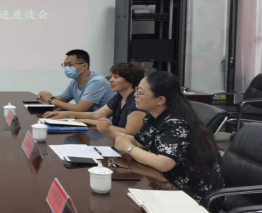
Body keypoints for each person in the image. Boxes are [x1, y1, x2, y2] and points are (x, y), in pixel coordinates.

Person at [98, 71, 223, 202]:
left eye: (140, 93)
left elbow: (164, 163)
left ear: (160, 100)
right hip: (162, 181)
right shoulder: (153, 116)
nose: (135, 95)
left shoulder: (175, 123)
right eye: (136, 91)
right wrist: (109, 132)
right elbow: (139, 142)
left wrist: (128, 148)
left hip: (189, 193)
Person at [45, 62, 146, 135]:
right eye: (111, 76)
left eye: (116, 77)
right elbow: (97, 114)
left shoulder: (136, 102)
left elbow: (129, 132)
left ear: (130, 80)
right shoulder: (119, 97)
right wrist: (66, 114)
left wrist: (94, 122)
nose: (111, 80)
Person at [38, 49, 114, 112]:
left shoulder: (97, 82)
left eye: (70, 64)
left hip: (103, 123)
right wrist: (45, 97)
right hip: (86, 120)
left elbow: (80, 109)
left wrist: (51, 99)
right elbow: (62, 99)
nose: (67, 68)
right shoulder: (75, 81)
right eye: (65, 65)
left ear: (84, 66)